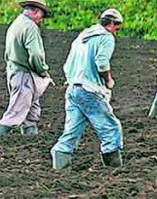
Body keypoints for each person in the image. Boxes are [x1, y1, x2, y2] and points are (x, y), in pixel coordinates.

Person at [51, 9, 125, 170]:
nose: (116, 31)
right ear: (111, 23)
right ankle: (114, 170)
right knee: (111, 129)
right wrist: (108, 80)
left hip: (73, 89)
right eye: (117, 27)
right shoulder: (106, 37)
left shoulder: (82, 37)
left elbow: (67, 65)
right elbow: (102, 63)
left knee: (72, 130)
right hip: (89, 90)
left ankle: (60, 165)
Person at [0, 0, 52, 137]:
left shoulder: (16, 23)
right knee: (15, 111)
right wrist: (42, 71)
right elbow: (36, 54)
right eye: (41, 16)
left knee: (31, 109)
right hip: (24, 74)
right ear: (36, 11)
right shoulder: (30, 27)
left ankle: (31, 137)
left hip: (14, 71)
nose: (41, 20)